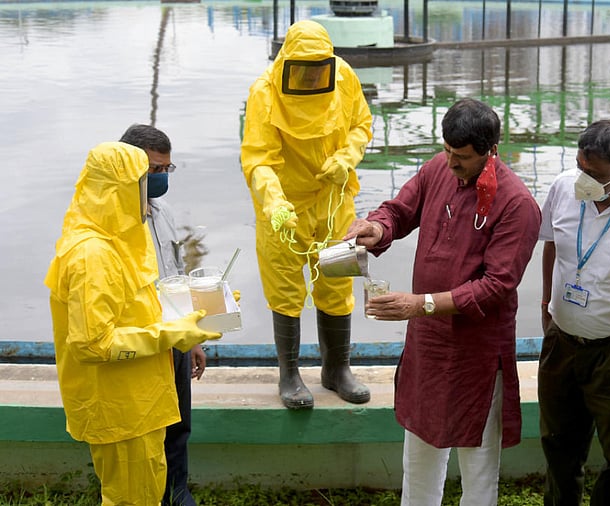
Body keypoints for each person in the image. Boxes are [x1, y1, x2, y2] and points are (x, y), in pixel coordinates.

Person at [343, 98, 541, 505]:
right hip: (429, 345)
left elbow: (495, 286)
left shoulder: (517, 204)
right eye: (448, 151)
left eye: (462, 157)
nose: (451, 163)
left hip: (477, 353)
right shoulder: (437, 168)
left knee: (478, 463)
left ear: (491, 151)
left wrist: (420, 305)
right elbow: (399, 211)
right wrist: (377, 229)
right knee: (418, 457)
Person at [45, 141, 221, 505]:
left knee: (149, 491)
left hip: (141, 399)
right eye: (143, 181)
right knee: (131, 498)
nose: (150, 191)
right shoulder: (92, 255)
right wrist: (173, 333)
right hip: (119, 408)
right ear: (116, 189)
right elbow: (93, 343)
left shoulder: (120, 236)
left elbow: (139, 303)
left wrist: (194, 306)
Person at [240, 19, 374, 409]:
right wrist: (274, 201)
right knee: (284, 288)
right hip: (282, 208)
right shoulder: (265, 91)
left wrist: (346, 158)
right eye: (304, 67)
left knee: (337, 281)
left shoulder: (344, 76)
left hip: (333, 201)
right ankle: (290, 375)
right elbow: (257, 158)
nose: (312, 75)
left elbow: (361, 125)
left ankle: (337, 370)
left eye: (319, 67)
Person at [537, 120, 610, 505]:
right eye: (581, 166)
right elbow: (551, 243)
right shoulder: (564, 187)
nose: (583, 179)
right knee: (557, 443)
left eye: (595, 174)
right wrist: (546, 306)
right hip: (562, 341)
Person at [120, 124, 205, 506]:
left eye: (165, 171)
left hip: (175, 336)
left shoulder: (163, 211)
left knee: (178, 426)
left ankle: (178, 492)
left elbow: (175, 274)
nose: (160, 179)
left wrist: (192, 336)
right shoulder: (114, 223)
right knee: (144, 430)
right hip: (140, 343)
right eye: (153, 171)